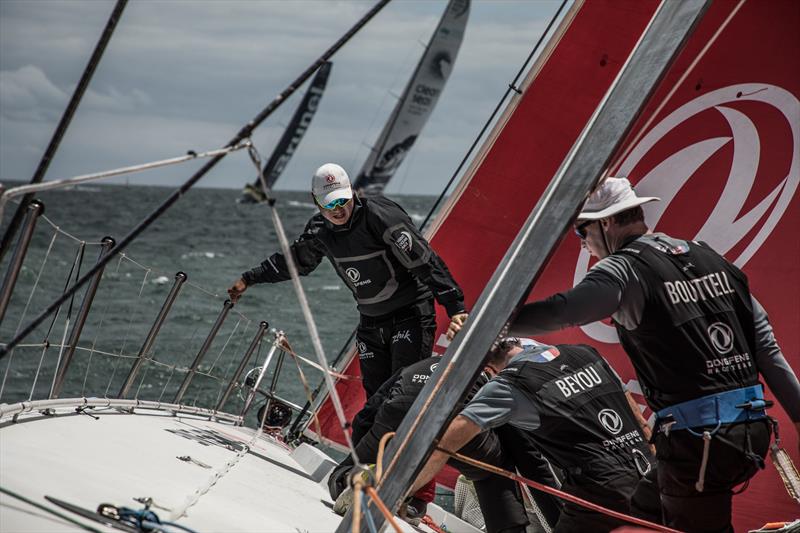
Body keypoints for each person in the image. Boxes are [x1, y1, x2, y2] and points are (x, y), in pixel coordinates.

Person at [500, 177, 800, 532]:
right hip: (748, 432)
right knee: (639, 513)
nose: (585, 247)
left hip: (699, 442)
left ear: (606, 222)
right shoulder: (708, 256)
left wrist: (491, 325)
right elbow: (765, 346)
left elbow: (560, 312)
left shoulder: (623, 270)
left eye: (583, 234)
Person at [228, 163, 468, 398]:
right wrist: (249, 278)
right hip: (371, 322)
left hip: (410, 314)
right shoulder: (320, 231)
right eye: (329, 203)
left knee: (402, 394)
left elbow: (424, 261)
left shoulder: (380, 215)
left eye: (343, 199)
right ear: (315, 201)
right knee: (376, 400)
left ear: (353, 191)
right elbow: (294, 262)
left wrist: (455, 308)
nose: (338, 209)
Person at [412, 338, 660, 533]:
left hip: (602, 490)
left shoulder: (507, 385)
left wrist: (401, 488)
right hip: (653, 473)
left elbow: (442, 443)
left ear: (488, 369)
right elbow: (637, 417)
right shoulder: (586, 352)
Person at [328, 349, 562, 532]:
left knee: (349, 471)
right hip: (454, 423)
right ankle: (507, 530)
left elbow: (366, 414)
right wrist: (561, 524)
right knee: (494, 470)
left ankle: (354, 478)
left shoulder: (429, 362)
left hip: (398, 413)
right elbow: (531, 460)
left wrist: (360, 454)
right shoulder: (504, 384)